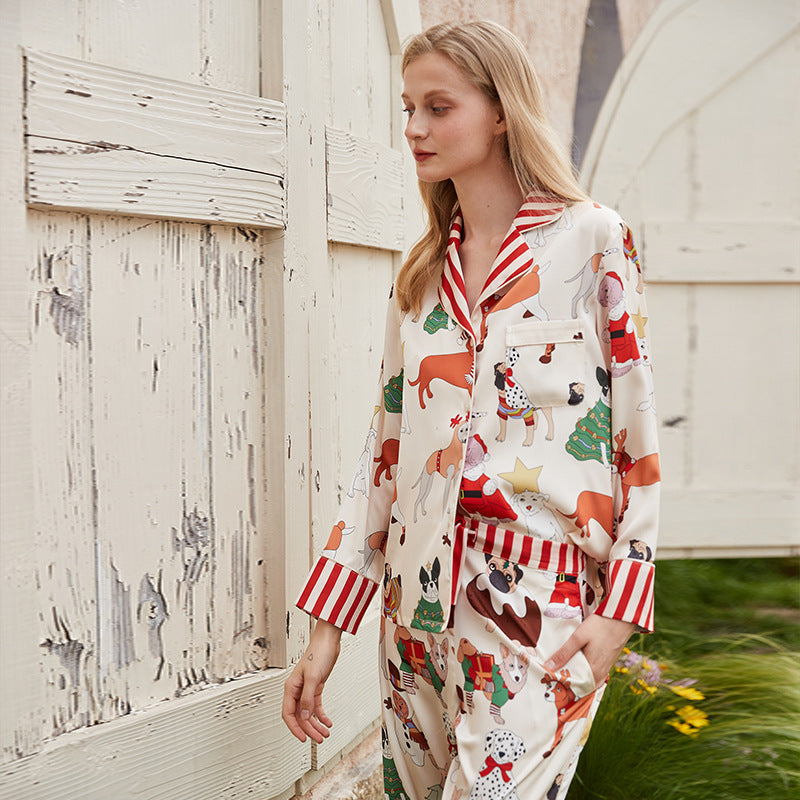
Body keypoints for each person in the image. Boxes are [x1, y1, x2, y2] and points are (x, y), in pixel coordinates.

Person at [282, 19, 661, 800]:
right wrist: (328, 629)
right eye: (407, 108)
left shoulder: (591, 241)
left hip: (535, 614)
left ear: (500, 111)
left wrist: (619, 612)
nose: (415, 129)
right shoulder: (420, 278)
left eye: (438, 107)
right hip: (412, 623)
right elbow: (381, 461)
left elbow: (637, 441)